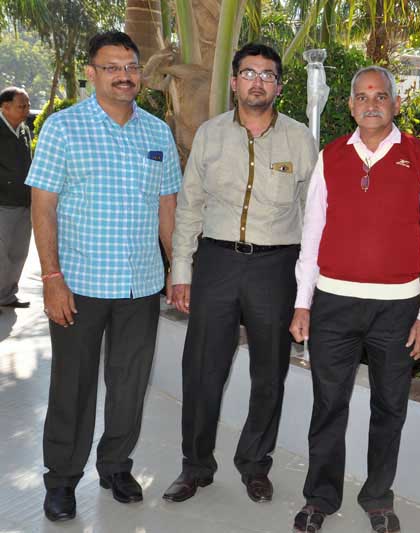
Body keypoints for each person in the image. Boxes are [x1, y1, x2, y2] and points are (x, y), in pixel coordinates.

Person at [26, 31, 182, 522]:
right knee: (72, 386)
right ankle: (62, 479)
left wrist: (178, 269)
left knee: (129, 385)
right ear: (91, 73)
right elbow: (43, 207)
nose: (124, 75)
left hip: (141, 285)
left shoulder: (157, 132)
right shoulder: (63, 128)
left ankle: (116, 465)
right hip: (79, 285)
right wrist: (52, 277)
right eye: (112, 67)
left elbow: (168, 207)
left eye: (131, 66)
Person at [290, 65, 420, 533]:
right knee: (328, 405)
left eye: (381, 96)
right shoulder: (331, 156)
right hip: (333, 304)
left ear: (395, 104)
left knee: (390, 407)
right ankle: (319, 497)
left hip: (397, 308)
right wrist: (302, 303)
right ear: (351, 105)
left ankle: (377, 497)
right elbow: (312, 234)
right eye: (362, 96)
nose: (371, 104)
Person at [162, 43, 317, 505]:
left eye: (268, 75)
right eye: (249, 73)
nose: (258, 82)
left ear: (279, 87)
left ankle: (255, 464)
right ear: (234, 83)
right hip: (217, 264)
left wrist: (307, 288)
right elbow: (190, 206)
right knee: (202, 370)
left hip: (276, 268)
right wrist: (181, 270)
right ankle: (195, 466)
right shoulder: (210, 135)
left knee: (269, 373)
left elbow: (314, 215)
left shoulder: (299, 139)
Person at [0, 87, 32, 309]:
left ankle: (8, 295)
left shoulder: (24, 130)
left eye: (27, 105)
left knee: (19, 252)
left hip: (24, 201)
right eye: (22, 106)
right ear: (5, 107)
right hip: (3, 203)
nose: (27, 110)